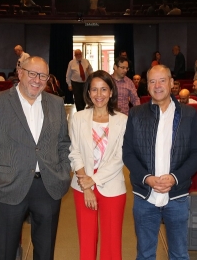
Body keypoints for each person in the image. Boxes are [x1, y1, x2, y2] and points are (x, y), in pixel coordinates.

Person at [0, 56, 71, 260]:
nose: (37, 80)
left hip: (48, 187)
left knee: (45, 252)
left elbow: (64, 143)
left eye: (43, 76)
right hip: (7, 187)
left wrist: (64, 174)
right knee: (5, 253)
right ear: (20, 73)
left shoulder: (56, 103)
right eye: (32, 73)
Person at [123, 64, 197, 260]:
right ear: (147, 86)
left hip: (177, 196)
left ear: (171, 83)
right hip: (145, 197)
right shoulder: (136, 114)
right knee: (145, 254)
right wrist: (147, 178)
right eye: (152, 81)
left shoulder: (189, 114)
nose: (157, 85)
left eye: (162, 80)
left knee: (179, 254)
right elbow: (128, 153)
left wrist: (175, 178)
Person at [69, 70, 127, 260]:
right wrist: (86, 185)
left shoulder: (123, 121)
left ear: (111, 92)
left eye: (104, 89)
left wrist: (92, 180)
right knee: (86, 240)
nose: (99, 94)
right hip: (82, 183)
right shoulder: (78, 118)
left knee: (111, 242)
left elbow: (119, 157)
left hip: (112, 184)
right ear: (88, 92)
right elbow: (74, 151)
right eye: (94, 89)